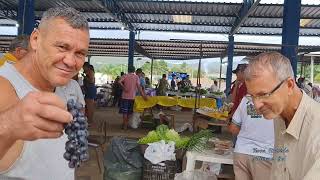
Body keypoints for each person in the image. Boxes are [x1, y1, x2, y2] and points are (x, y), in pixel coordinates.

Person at [0, 7, 89, 179]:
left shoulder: (64, 86)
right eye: (62, 47)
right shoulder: (4, 87)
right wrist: (8, 124)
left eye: (80, 53)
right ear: (35, 39)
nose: (70, 61)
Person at [244, 52, 320, 180]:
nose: (256, 105)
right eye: (252, 96)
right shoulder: (279, 115)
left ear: (289, 85)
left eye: (264, 94)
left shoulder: (316, 131)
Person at [228, 97, 274, 180]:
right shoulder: (278, 101)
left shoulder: (246, 100)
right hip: (264, 154)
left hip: (241, 152)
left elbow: (233, 128)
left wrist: (247, 134)